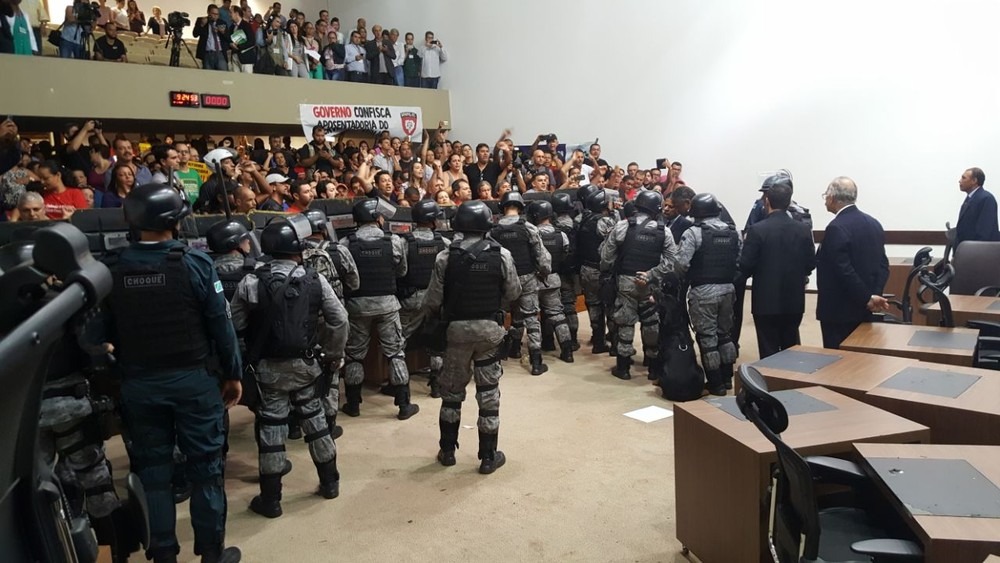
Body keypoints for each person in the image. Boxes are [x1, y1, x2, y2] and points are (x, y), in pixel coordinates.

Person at [91, 184, 242, 563]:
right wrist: (233, 374)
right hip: (194, 383)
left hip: (139, 385)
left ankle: (163, 554)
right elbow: (221, 327)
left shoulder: (110, 270)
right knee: (206, 472)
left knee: (154, 474)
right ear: (176, 221)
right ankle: (211, 554)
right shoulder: (195, 264)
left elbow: (96, 336)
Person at [230, 216, 347, 518]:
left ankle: (271, 499)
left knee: (271, 428)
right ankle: (330, 483)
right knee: (315, 421)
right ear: (297, 249)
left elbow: (236, 325)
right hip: (306, 365)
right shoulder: (314, 278)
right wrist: (333, 354)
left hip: (268, 369)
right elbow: (339, 319)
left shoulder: (251, 281)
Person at [421, 200, 521, 474]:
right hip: (490, 332)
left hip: (456, 333)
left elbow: (432, 300)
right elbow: (514, 292)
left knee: (451, 393)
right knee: (488, 394)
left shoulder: (445, 256)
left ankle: (447, 451)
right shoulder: (502, 255)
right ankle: (488, 456)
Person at [339, 199, 420, 420]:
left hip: (357, 305)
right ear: (377, 218)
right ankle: (404, 405)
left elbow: (345, 275)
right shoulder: (393, 240)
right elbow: (402, 271)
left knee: (355, 355)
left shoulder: (346, 242)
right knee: (395, 353)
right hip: (387, 304)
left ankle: (353, 404)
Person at [601, 190, 678, 380]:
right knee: (651, 323)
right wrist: (652, 274)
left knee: (625, 322)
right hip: (651, 284)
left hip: (626, 281)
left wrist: (609, 271)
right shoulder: (664, 231)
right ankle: (652, 368)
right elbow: (671, 262)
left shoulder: (622, 226)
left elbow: (606, 257)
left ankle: (623, 367)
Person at [739, 180, 815, 359]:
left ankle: (770, 385)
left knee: (768, 350)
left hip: (765, 302)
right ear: (788, 202)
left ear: (766, 201)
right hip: (794, 300)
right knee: (791, 349)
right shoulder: (803, 230)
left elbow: (745, 266)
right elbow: (811, 264)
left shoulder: (757, 230)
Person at [675, 193, 740, 395]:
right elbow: (738, 260)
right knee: (725, 335)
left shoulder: (693, 232)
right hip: (729, 289)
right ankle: (728, 377)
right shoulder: (733, 231)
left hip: (703, 291)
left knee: (707, 338)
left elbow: (680, 264)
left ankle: (716, 384)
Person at [816, 176, 889, 349]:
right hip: (866, 309)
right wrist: (873, 296)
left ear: (832, 198)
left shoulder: (836, 227)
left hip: (839, 311)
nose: (825, 199)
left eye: (825, 195)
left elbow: (843, 270)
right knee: (862, 360)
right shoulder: (874, 223)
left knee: (838, 362)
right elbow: (883, 265)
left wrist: (867, 297)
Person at [491, 191, 552, 375]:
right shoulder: (529, 227)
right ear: (520, 207)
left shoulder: (492, 230)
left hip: (501, 280)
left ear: (503, 207)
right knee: (531, 318)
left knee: (499, 319)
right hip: (527, 278)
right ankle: (536, 362)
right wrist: (544, 273)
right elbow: (542, 258)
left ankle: (502, 357)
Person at [397, 200, 449, 397]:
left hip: (411, 298)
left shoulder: (404, 242)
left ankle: (399, 387)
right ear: (432, 220)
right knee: (437, 341)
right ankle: (436, 383)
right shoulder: (443, 242)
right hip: (436, 297)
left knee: (398, 342)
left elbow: (400, 271)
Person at [526, 200, 574, 363]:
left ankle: (538, 354)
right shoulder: (561, 234)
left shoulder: (531, 233)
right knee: (557, 314)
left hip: (533, 279)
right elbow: (564, 254)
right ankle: (567, 350)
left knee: (532, 316)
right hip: (553, 278)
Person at [577, 190, 617, 354]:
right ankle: (615, 344)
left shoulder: (581, 219)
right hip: (603, 270)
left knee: (593, 306)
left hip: (586, 268)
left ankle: (598, 340)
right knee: (611, 306)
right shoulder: (605, 221)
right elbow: (615, 241)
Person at [550, 191, 580, 351]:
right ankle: (573, 340)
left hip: (551, 272)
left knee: (550, 307)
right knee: (569, 305)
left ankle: (548, 342)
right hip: (570, 271)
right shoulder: (575, 225)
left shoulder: (550, 228)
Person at [954, 167, 1000, 249]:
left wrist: (975, 251)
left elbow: (985, 231)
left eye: (963, 178)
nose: (960, 181)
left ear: (974, 181)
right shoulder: (969, 198)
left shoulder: (986, 198)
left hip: (979, 253)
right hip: (966, 251)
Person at [194, 3, 230, 71]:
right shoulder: (201, 20)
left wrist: (222, 32)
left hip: (220, 53)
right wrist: (202, 25)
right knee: (209, 76)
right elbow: (195, 34)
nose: (215, 16)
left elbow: (228, 38)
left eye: (217, 14)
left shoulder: (222, 22)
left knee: (223, 74)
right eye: (213, 14)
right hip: (207, 53)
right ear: (208, 12)